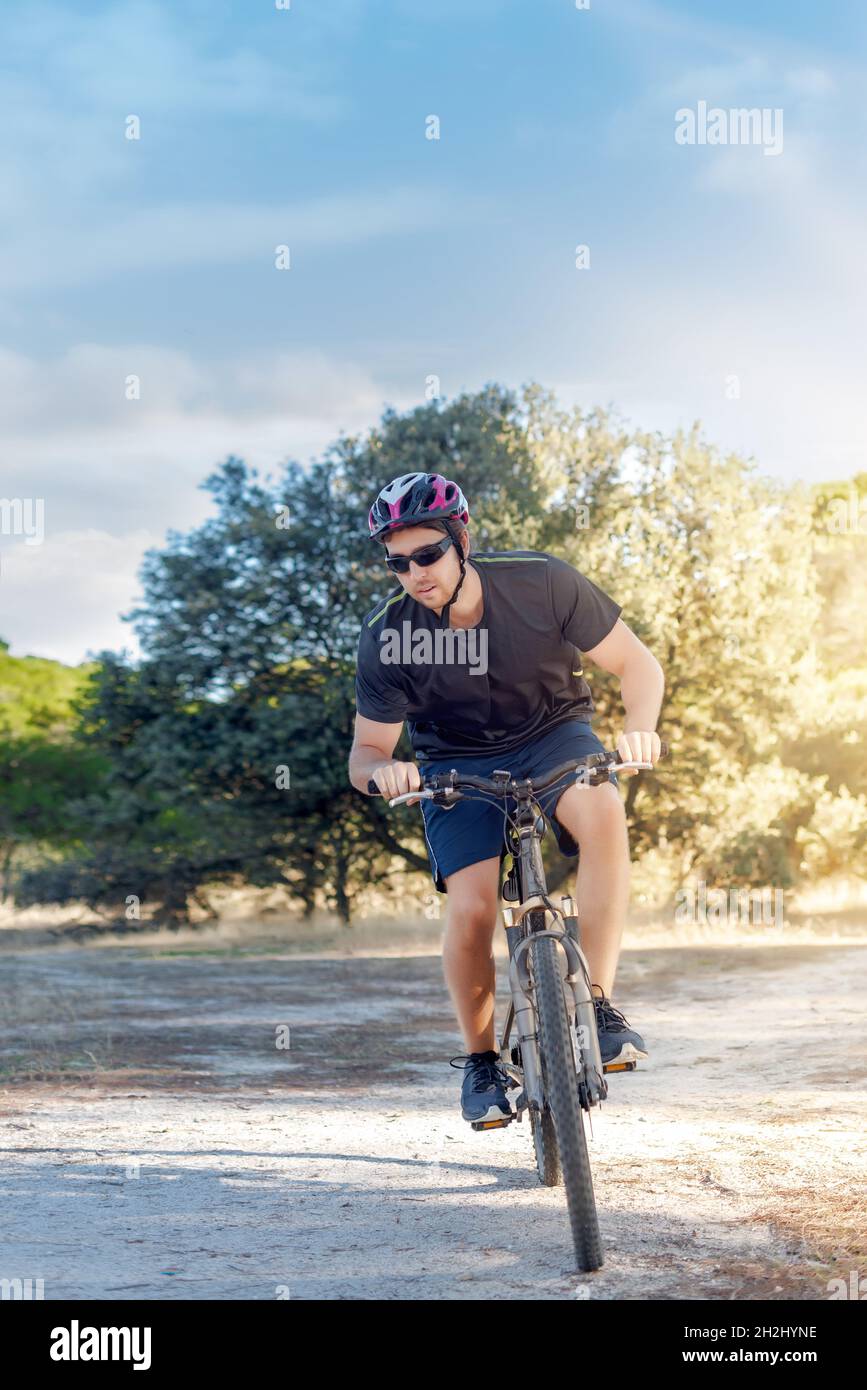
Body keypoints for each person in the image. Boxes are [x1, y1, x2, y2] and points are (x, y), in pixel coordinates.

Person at [348, 470, 664, 1125]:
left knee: (602, 810)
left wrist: (639, 728)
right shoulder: (386, 636)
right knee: (470, 908)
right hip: (454, 763)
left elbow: (637, 665)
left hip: (555, 736)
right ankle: (482, 1061)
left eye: (427, 554)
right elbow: (365, 754)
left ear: (460, 541)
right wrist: (386, 773)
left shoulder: (540, 581)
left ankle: (599, 1004)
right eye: (397, 563)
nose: (415, 573)